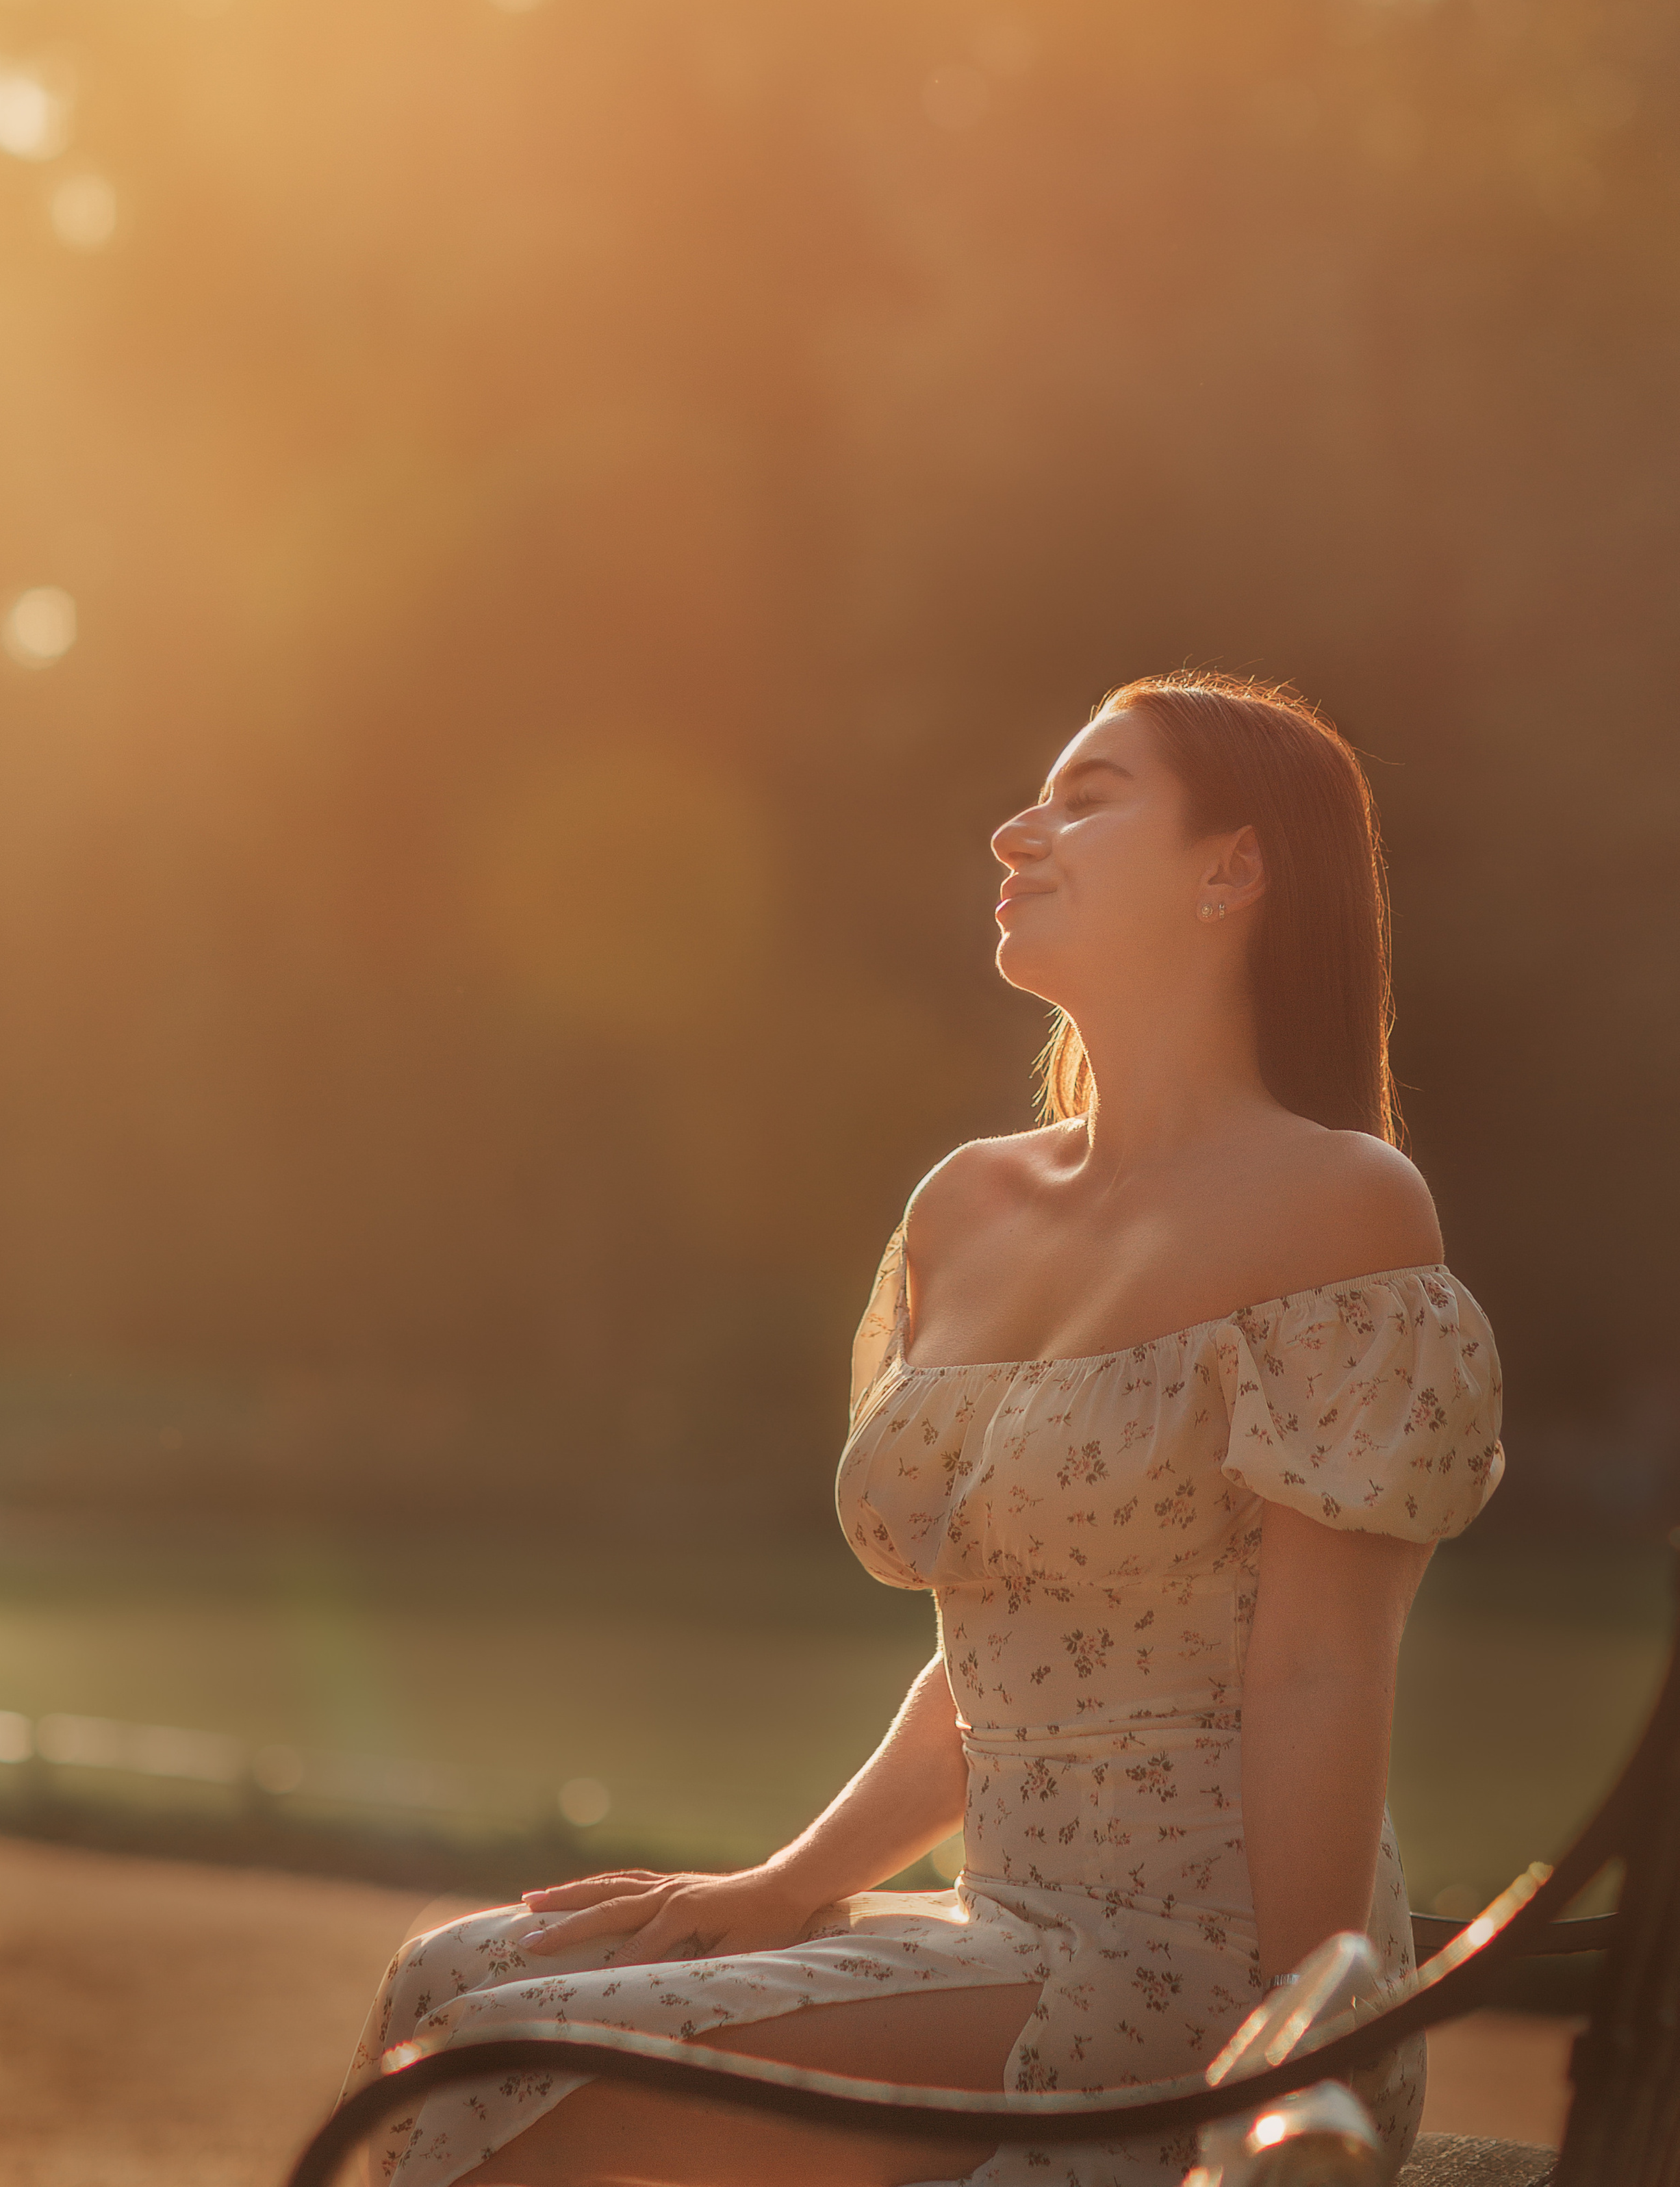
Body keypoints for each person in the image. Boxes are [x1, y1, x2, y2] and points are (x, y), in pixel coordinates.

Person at [341, 671, 1504, 2187]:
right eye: (1034, 798)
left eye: (1089, 796)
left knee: (524, 2062)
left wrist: (1301, 2049)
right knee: (450, 1983)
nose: (1019, 833)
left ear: (1232, 869)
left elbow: (1315, 1668)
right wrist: (784, 1885)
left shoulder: (1342, 1207)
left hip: (1208, 1980)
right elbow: (1002, 1654)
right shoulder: (967, 1206)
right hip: (1003, 1931)